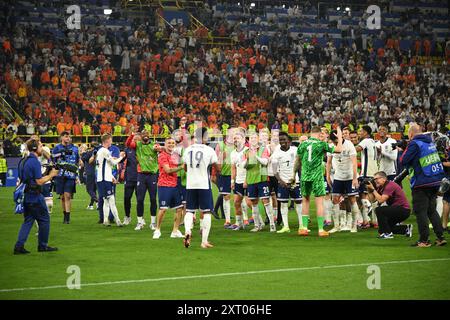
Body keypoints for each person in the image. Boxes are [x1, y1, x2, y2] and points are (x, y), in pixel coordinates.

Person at [400, 123, 447, 247]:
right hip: (434, 181)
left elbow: (403, 160)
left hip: (421, 182)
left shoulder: (414, 143)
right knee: (431, 211)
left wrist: (405, 148)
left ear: (410, 134)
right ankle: (440, 237)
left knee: (420, 212)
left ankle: (424, 240)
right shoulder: (430, 142)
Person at [291, 126, 343, 237]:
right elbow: (338, 150)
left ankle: (304, 228)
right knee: (319, 202)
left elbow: (297, 161)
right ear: (319, 134)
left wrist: (293, 174)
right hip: (317, 177)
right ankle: (320, 229)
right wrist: (339, 137)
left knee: (305, 200)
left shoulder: (303, 144)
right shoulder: (321, 144)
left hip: (304, 176)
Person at [13, 139, 59, 254]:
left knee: (28, 221)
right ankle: (42, 245)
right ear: (35, 148)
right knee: (44, 219)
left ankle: (19, 246)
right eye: (40, 146)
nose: (41, 148)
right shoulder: (34, 162)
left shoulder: (23, 161)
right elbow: (39, 181)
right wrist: (51, 175)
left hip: (26, 195)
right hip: (35, 195)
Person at [182, 127, 219, 249]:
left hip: (190, 184)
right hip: (204, 184)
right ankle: (204, 241)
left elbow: (185, 167)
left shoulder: (187, 150)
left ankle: (188, 231)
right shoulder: (209, 150)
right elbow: (216, 167)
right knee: (207, 211)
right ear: (203, 137)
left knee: (190, 210)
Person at [326, 130, 360, 233]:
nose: (336, 143)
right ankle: (337, 226)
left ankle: (354, 226)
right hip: (338, 176)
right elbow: (328, 163)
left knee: (352, 200)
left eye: (338, 141)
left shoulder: (349, 144)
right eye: (334, 142)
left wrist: (354, 178)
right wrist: (327, 176)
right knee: (335, 200)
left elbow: (354, 163)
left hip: (350, 176)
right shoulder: (331, 146)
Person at [126, 130, 160, 231]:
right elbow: (128, 144)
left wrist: (160, 149)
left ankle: (153, 223)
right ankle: (140, 222)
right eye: (143, 134)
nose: (145, 136)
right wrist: (132, 134)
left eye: (147, 134)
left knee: (153, 199)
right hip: (141, 175)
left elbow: (161, 150)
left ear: (149, 136)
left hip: (152, 175)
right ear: (141, 136)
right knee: (140, 199)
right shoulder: (138, 145)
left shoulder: (154, 145)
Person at [271, 132, 303, 234]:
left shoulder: (295, 150)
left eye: (284, 139)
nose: (282, 142)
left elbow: (300, 165)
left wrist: (299, 179)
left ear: (289, 141)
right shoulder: (276, 154)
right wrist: (281, 181)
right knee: (283, 204)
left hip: (295, 181)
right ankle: (286, 226)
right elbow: (275, 171)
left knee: (299, 202)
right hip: (283, 183)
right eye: (280, 140)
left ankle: (301, 225)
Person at [153, 137, 184, 239]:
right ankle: (157, 230)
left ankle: (175, 231)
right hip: (164, 185)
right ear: (165, 145)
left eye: (172, 143)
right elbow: (168, 170)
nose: (171, 144)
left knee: (179, 208)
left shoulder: (174, 156)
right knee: (163, 209)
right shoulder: (162, 155)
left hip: (174, 185)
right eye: (169, 143)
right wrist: (182, 167)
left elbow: (178, 162)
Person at [366, 171, 413, 239]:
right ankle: (406, 229)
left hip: (403, 210)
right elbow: (372, 200)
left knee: (379, 210)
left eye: (376, 179)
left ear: (383, 179)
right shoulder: (381, 187)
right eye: (374, 179)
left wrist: (373, 190)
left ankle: (387, 233)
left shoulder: (390, 185)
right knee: (386, 226)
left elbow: (381, 200)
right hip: (398, 209)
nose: (375, 181)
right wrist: (369, 190)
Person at [244, 131, 275, 232]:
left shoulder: (263, 149)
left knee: (266, 201)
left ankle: (272, 224)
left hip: (262, 178)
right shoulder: (246, 151)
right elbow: (243, 166)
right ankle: (257, 225)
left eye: (255, 138)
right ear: (249, 140)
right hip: (251, 179)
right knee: (254, 203)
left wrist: (255, 156)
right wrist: (247, 160)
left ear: (258, 139)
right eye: (251, 138)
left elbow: (265, 162)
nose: (253, 140)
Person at [95, 133, 125, 227]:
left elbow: (105, 166)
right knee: (111, 200)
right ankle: (118, 221)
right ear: (107, 140)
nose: (111, 142)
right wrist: (121, 156)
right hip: (105, 179)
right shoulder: (105, 151)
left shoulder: (100, 151)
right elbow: (113, 163)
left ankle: (105, 220)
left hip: (101, 178)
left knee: (106, 200)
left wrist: (112, 177)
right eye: (110, 140)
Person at [52, 131, 79, 224]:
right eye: (66, 137)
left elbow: (77, 161)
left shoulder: (75, 148)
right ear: (62, 138)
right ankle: (64, 214)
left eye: (69, 137)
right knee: (62, 196)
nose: (68, 138)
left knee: (67, 195)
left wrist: (77, 175)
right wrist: (62, 152)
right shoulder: (57, 148)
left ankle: (67, 217)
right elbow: (53, 158)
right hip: (60, 174)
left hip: (70, 175)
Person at [355, 125, 379, 229]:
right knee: (373, 196)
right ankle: (374, 221)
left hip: (366, 173)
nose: (359, 133)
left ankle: (367, 210)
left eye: (361, 131)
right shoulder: (374, 142)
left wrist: (346, 147)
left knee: (361, 196)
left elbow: (357, 149)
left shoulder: (365, 141)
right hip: (374, 172)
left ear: (365, 133)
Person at [229, 128, 249, 230]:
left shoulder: (247, 151)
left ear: (243, 139)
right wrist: (232, 181)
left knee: (250, 203)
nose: (235, 140)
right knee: (236, 203)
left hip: (248, 181)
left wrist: (246, 180)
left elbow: (250, 168)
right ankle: (239, 224)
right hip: (238, 181)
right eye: (234, 138)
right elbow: (233, 168)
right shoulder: (233, 153)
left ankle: (259, 223)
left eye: (237, 138)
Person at [215, 128, 235, 227]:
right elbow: (215, 161)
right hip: (224, 175)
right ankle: (227, 220)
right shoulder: (221, 145)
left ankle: (244, 219)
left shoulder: (239, 144)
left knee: (240, 197)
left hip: (237, 175)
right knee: (226, 197)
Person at [123, 134, 139, 226]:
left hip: (140, 177)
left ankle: (140, 218)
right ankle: (127, 216)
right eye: (134, 139)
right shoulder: (128, 149)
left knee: (139, 200)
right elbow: (122, 160)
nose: (135, 140)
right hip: (129, 178)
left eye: (137, 139)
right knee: (126, 198)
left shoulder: (142, 150)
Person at [81, 141, 98, 210]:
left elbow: (82, 160)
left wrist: (83, 152)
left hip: (90, 172)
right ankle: (91, 205)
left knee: (89, 189)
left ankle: (98, 202)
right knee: (93, 190)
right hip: (96, 173)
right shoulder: (95, 152)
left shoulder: (87, 153)